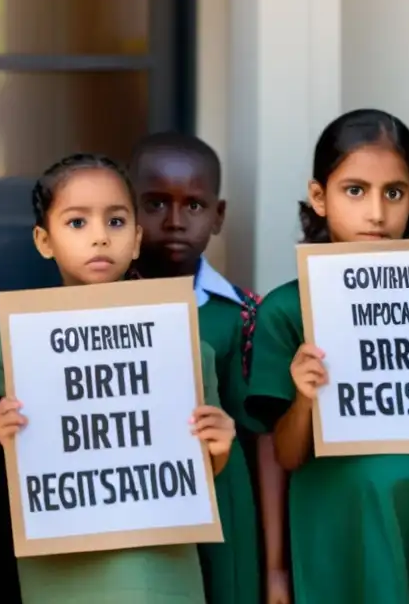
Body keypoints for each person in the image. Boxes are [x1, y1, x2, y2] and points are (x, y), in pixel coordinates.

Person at [0, 153, 236, 604]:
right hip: (64, 567)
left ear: (138, 238)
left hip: (161, 564)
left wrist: (219, 445)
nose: (100, 237)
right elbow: (20, 474)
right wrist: (6, 439)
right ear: (44, 240)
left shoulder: (182, 341)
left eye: (117, 222)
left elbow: (201, 471)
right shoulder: (11, 346)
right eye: (78, 223)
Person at [246, 109, 409, 604]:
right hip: (339, 528)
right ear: (318, 197)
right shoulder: (287, 308)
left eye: (394, 192)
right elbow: (283, 454)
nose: (376, 212)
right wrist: (306, 398)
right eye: (355, 190)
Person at [130, 133, 286, 604]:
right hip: (136, 507)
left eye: (194, 206)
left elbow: (264, 437)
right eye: (155, 203)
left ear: (217, 216)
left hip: (224, 506)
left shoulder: (246, 313)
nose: (175, 221)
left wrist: (275, 565)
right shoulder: (97, 312)